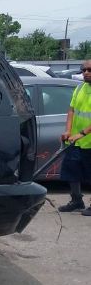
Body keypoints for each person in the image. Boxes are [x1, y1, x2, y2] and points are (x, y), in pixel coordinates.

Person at [58, 59, 91, 214]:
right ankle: (76, 200)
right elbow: (71, 110)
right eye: (84, 69)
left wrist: (82, 133)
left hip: (88, 142)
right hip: (76, 141)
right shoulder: (79, 89)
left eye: (90, 70)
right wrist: (68, 131)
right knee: (72, 171)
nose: (86, 73)